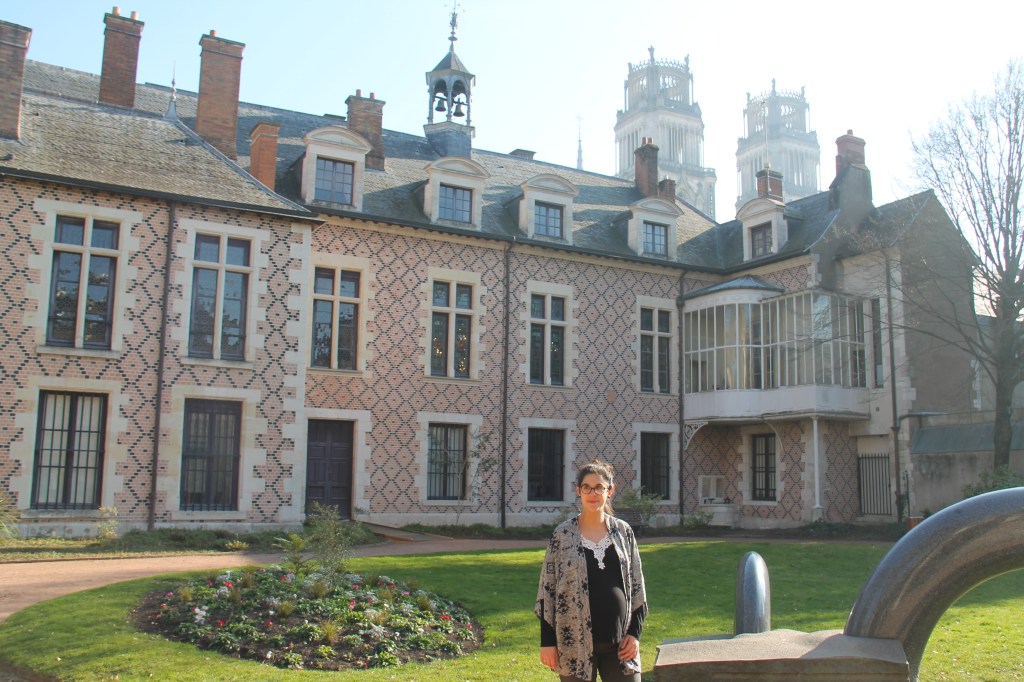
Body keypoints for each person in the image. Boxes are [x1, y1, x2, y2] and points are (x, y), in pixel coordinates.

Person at [535, 460, 648, 681]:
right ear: (579, 491)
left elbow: (637, 585)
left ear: (610, 491)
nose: (592, 493)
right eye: (586, 487)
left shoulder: (623, 532)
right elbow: (547, 590)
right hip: (573, 645)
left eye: (599, 487)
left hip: (621, 644)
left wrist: (635, 634)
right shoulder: (562, 535)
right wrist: (547, 642)